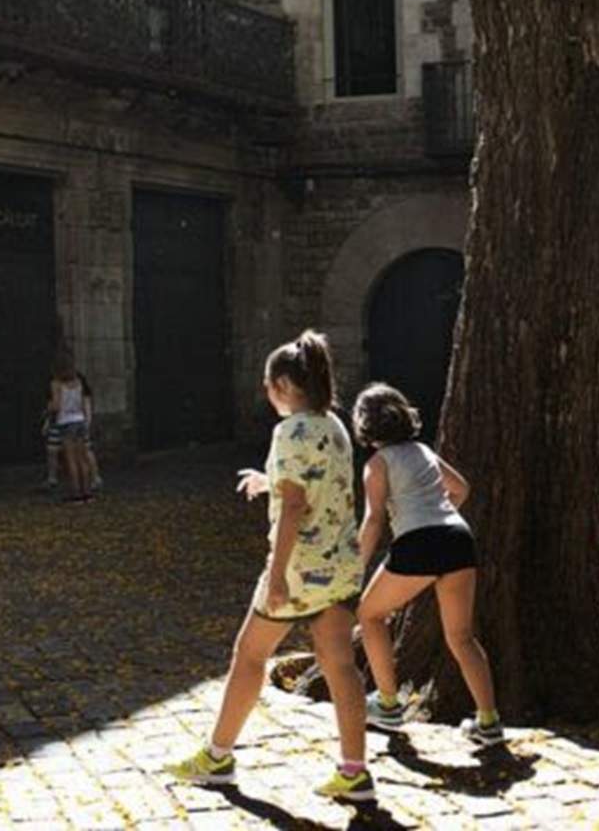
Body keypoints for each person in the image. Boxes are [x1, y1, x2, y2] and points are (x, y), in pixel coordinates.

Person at [165, 331, 374, 802]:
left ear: (283, 383)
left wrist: (276, 574)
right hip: (340, 566)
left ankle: (216, 756)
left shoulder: (289, 431)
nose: (265, 394)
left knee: (250, 654)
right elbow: (315, 485)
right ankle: (355, 770)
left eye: (267, 384)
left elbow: (296, 507)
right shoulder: (333, 426)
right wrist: (269, 482)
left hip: (299, 570)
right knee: (341, 665)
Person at [353, 383, 504, 748]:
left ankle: (388, 703)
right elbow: (461, 489)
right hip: (457, 538)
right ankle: (489, 721)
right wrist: (438, 513)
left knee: (369, 615)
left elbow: (374, 521)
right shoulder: (422, 451)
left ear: (366, 426)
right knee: (462, 637)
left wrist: (355, 566)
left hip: (419, 544)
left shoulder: (377, 464)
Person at [46, 352, 95, 503]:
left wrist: (48, 410)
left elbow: (56, 405)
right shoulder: (79, 381)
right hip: (79, 419)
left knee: (71, 459)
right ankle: (87, 491)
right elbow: (82, 402)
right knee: (82, 458)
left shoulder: (56, 384)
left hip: (66, 422)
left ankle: (75, 493)